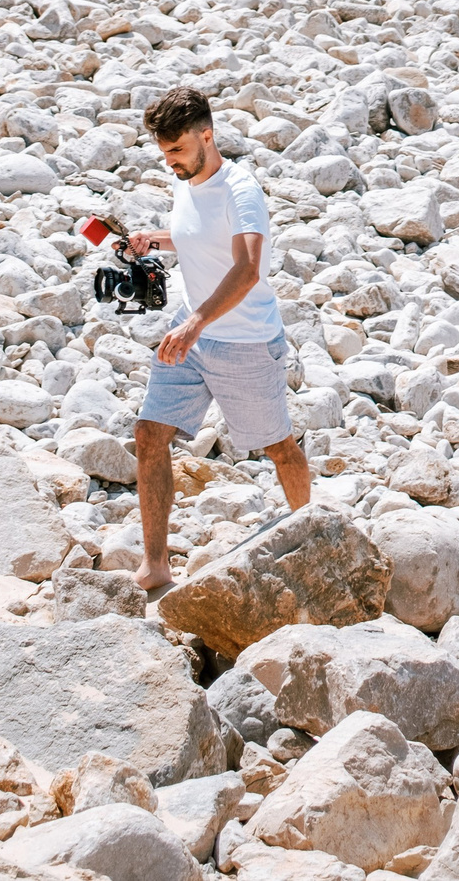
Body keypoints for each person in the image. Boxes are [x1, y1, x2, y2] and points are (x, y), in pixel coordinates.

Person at [124, 86, 308, 589]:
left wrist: (194, 323)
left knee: (277, 447)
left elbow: (247, 269)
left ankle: (315, 534)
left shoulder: (241, 191)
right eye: (164, 153)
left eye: (178, 151)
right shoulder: (186, 181)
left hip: (244, 342)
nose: (171, 162)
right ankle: (156, 563)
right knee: (149, 434)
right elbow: (195, 239)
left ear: (207, 135)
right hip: (192, 336)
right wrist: (153, 240)